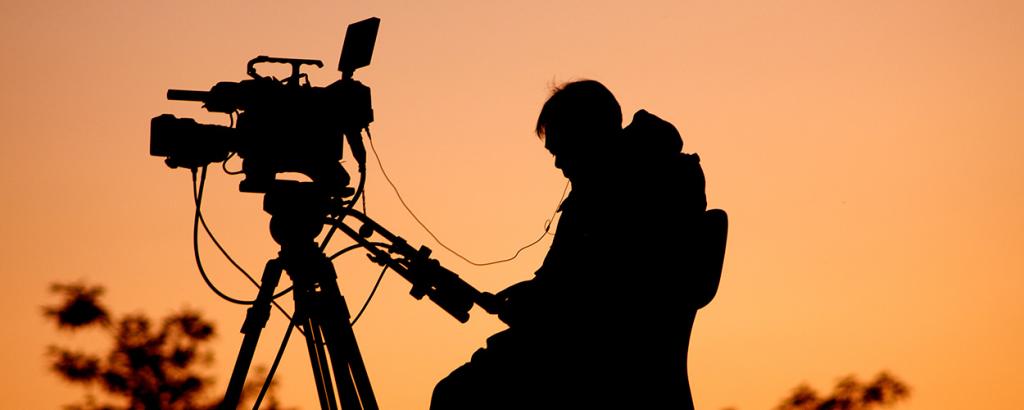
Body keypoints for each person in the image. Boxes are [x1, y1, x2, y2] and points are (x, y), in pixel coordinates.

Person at [430, 80, 715, 409]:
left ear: (585, 135)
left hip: (594, 361)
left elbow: (601, 293)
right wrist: (530, 295)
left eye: (560, 148)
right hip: (601, 350)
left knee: (454, 395)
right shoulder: (651, 178)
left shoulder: (614, 196)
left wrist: (534, 305)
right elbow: (575, 279)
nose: (557, 163)